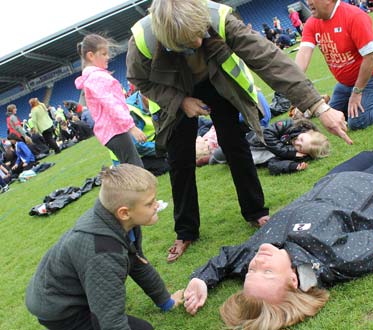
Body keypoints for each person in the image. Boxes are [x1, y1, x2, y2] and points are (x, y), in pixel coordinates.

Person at [183, 96, 373, 329]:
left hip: (331, 183)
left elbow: (226, 258)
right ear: (293, 280)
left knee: (372, 155)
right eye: (265, 271)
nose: (258, 260)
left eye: (250, 272)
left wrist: (201, 279)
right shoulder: (332, 259)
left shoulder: (255, 256)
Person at [126, 0, 351, 262]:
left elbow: (269, 60)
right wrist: (180, 102)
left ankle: (255, 211)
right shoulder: (142, 40)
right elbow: (139, 80)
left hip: (217, 82)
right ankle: (185, 230)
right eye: (189, 41)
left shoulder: (220, 19)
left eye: (201, 34)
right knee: (179, 161)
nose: (198, 43)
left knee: (236, 145)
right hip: (173, 94)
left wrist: (319, 106)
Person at [25, 164, 184, 330]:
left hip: (70, 291)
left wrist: (167, 302)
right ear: (124, 212)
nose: (156, 205)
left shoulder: (121, 222)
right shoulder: (104, 253)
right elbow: (110, 320)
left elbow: (137, 263)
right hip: (60, 309)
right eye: (149, 203)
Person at [295, 0, 373, 130]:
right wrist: (295, 90)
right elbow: (303, 55)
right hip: (347, 83)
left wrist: (357, 92)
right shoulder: (312, 23)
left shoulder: (353, 16)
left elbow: (371, 57)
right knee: (333, 115)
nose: (308, 2)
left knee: (357, 121)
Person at [75, 34, 147, 167]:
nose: (108, 57)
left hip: (112, 131)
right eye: (103, 54)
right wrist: (132, 127)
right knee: (137, 170)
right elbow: (111, 105)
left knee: (131, 169)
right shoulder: (97, 78)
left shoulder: (93, 77)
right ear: (91, 56)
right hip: (114, 130)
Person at [212, 118, 330, 175]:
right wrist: (287, 152)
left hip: (249, 155)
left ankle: (208, 158)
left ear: (304, 153)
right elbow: (267, 135)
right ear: (307, 132)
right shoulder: (291, 125)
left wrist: (292, 166)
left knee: (222, 156)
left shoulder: (296, 155)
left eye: (300, 147)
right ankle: (208, 157)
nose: (297, 143)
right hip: (250, 139)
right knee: (217, 154)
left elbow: (273, 165)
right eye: (301, 139)